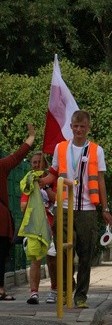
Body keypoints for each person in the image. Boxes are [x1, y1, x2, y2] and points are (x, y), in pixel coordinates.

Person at [38, 111, 112, 308]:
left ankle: (81, 296)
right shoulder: (61, 148)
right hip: (62, 207)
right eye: (75, 126)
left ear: (88, 128)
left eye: (82, 126)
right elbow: (53, 173)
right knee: (62, 251)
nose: (79, 130)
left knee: (85, 253)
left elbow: (101, 180)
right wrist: (40, 181)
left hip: (87, 208)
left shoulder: (97, 150)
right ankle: (64, 289)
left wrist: (105, 208)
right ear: (71, 127)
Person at [0, 125, 35, 302]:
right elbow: (17, 156)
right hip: (1, 220)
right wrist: (31, 137)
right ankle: (0, 289)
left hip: (2, 218)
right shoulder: (1, 165)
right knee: (1, 254)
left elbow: (17, 156)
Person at [20, 150, 56, 305]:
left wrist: (45, 184)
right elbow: (22, 206)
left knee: (52, 260)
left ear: (45, 165)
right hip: (35, 226)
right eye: (33, 162)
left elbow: (56, 200)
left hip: (51, 225)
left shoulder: (53, 180)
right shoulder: (28, 180)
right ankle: (34, 293)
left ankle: (54, 290)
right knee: (35, 259)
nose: (35, 165)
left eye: (38, 162)